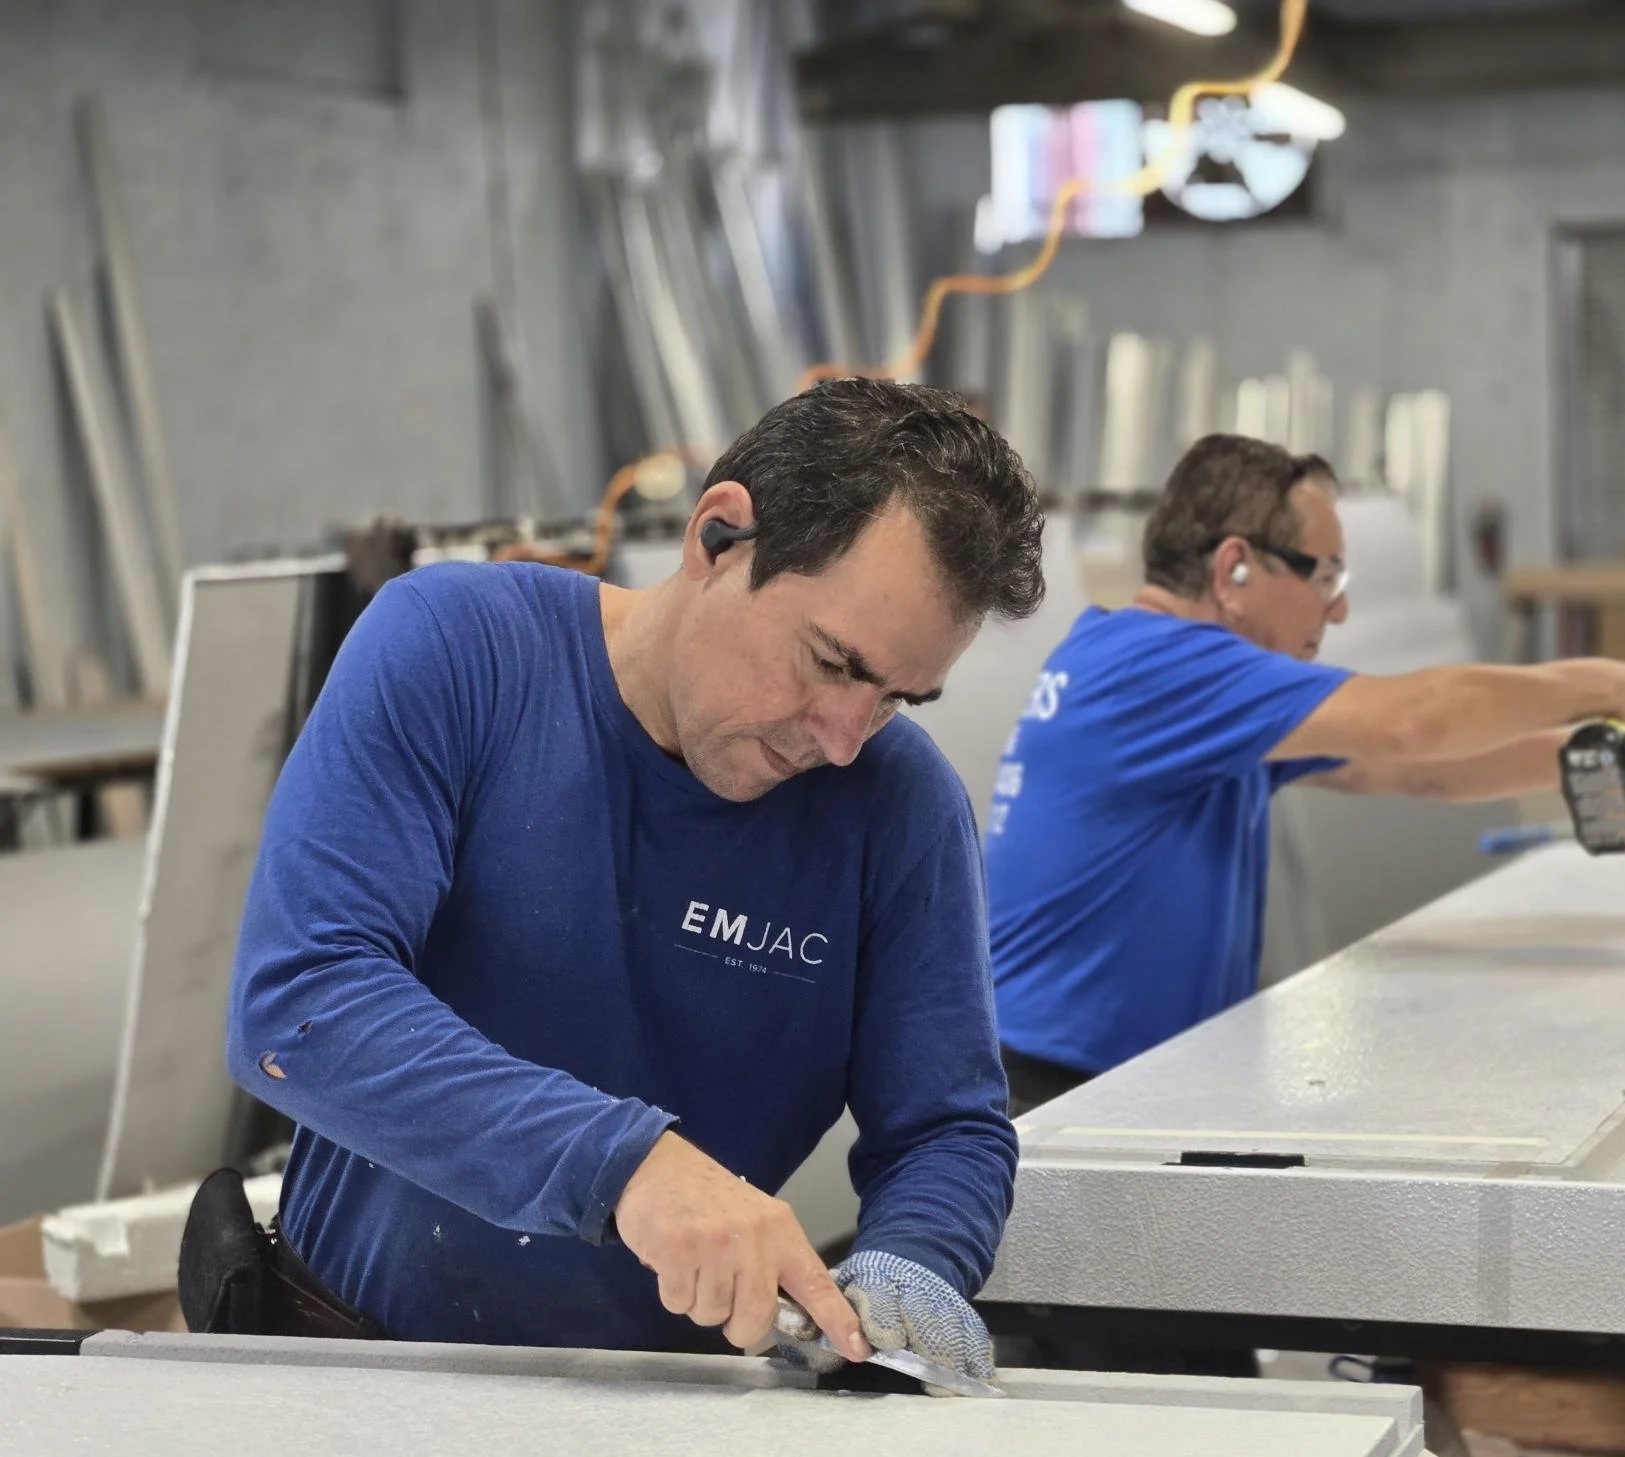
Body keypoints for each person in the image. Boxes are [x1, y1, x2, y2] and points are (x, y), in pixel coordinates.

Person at [221, 380, 1043, 1386]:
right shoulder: (457, 653)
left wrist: (913, 1264)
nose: (840, 739)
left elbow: (944, 1130)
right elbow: (301, 1006)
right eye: (829, 663)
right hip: (359, 1370)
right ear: (717, 537)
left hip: (673, 1413)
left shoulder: (898, 811)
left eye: (893, 699)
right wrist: (627, 1166)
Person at [986, 433, 1625, 1115]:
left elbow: (1411, 768)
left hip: (1105, 1083)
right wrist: (1609, 685)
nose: (1340, 605)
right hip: (1054, 1097)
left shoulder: (1170, 676)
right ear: (1233, 569)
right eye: (1324, 573)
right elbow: (1415, 720)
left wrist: (1624, 757)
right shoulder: (1158, 665)